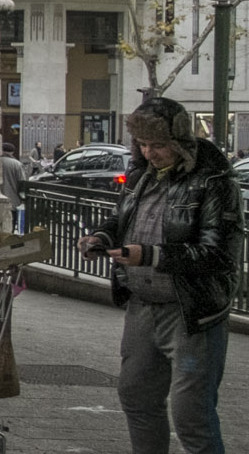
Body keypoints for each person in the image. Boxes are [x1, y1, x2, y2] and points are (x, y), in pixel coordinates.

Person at [77, 97, 240, 454]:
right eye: (144, 145)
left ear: (180, 143)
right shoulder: (140, 175)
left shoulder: (214, 182)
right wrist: (100, 238)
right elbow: (121, 219)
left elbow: (218, 255)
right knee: (135, 395)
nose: (150, 153)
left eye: (159, 145)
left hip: (191, 312)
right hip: (143, 306)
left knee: (191, 415)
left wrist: (151, 255)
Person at [0, 144, 27, 233]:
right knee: (11, 225)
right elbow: (22, 182)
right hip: (12, 200)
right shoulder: (17, 164)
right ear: (12, 152)